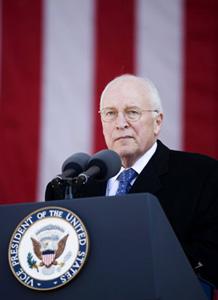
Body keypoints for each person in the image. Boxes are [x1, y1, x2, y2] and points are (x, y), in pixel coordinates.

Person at [45, 74, 218, 288]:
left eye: (132, 113)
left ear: (157, 122)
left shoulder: (201, 175)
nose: (120, 124)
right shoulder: (79, 184)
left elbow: (209, 264)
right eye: (110, 113)